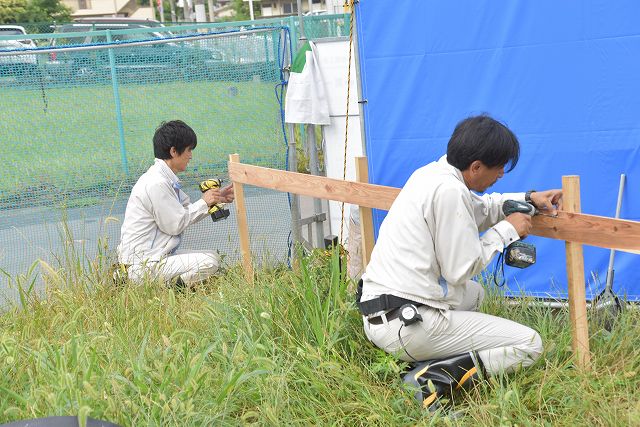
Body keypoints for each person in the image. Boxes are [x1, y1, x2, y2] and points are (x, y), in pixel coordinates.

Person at [356, 114, 563, 409]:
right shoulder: (449, 191)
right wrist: (507, 231)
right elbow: (459, 270)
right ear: (476, 167)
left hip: (384, 312)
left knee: (475, 294)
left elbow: (482, 207)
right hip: (407, 324)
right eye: (499, 167)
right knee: (530, 345)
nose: (502, 174)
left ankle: (430, 362)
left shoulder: (433, 174)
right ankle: (433, 379)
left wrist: (529, 198)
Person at [116, 120, 235, 287]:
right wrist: (204, 202)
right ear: (173, 151)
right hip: (142, 265)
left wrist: (217, 198)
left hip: (152, 258)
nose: (191, 156)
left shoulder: (163, 178)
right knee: (209, 262)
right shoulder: (156, 183)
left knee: (211, 256)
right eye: (188, 150)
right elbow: (175, 224)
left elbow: (185, 211)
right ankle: (169, 290)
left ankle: (164, 286)